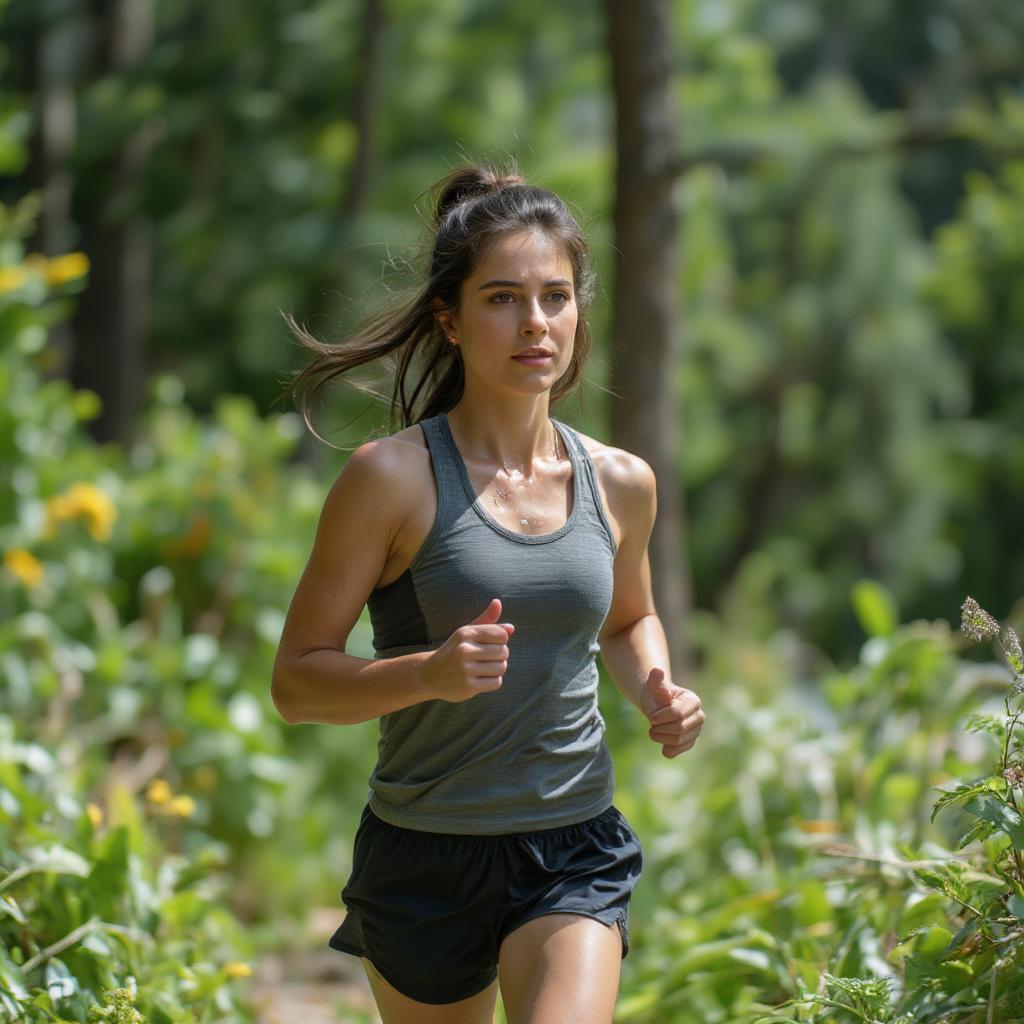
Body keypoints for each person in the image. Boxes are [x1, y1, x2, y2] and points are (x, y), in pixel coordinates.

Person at [270, 162, 705, 1024]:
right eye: (503, 297)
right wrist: (425, 675)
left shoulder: (622, 482)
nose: (534, 323)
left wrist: (655, 681)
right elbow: (296, 683)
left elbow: (630, 617)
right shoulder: (390, 480)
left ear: (580, 311)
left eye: (555, 297)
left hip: (572, 843)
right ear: (452, 319)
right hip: (424, 855)